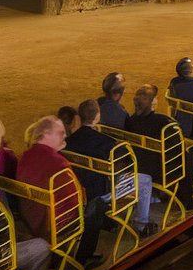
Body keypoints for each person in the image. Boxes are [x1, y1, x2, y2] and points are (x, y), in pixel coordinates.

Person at [18, 115, 105, 266]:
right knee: (97, 205)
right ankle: (81, 258)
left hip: (30, 218)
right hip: (52, 226)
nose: (65, 136)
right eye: (60, 132)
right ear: (45, 134)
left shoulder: (25, 155)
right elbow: (75, 201)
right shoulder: (58, 163)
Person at [66, 100, 155, 236]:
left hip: (81, 189)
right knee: (146, 180)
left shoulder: (69, 141)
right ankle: (141, 224)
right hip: (103, 193)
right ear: (97, 117)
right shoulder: (106, 142)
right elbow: (125, 162)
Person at [126, 85, 193, 211]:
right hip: (158, 171)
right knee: (190, 154)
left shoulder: (129, 121)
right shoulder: (165, 123)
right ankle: (186, 199)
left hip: (135, 166)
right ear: (154, 102)